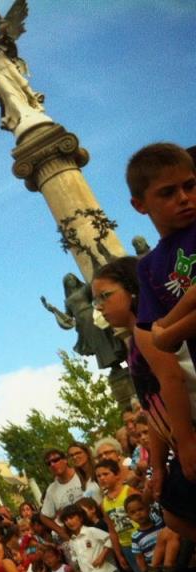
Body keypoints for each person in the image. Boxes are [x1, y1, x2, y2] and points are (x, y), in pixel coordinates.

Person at [92, 253, 196, 541]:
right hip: (179, 438)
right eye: (95, 300)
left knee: (176, 511)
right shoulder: (133, 340)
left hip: (191, 432)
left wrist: (186, 443)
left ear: (133, 290)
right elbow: (152, 407)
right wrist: (158, 466)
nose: (99, 308)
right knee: (173, 511)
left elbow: (171, 380)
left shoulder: (146, 330)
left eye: (105, 296)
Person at [125, 142, 196, 537]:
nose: (184, 198)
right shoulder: (151, 267)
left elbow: (166, 336)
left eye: (190, 185)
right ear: (140, 205)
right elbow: (159, 339)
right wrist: (183, 441)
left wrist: (171, 329)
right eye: (168, 193)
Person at [39, 448, 99, 539]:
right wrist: (61, 532)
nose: (53, 464)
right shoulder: (51, 490)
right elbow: (44, 516)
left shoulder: (81, 473)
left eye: (55, 460)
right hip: (78, 537)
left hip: (98, 526)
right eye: (49, 463)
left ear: (65, 460)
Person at [126, 494, 182, 572]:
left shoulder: (158, 521)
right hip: (153, 566)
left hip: (169, 558)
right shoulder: (135, 536)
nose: (138, 514)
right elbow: (139, 557)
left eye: (140, 509)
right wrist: (145, 571)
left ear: (148, 508)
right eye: (133, 512)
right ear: (129, 517)